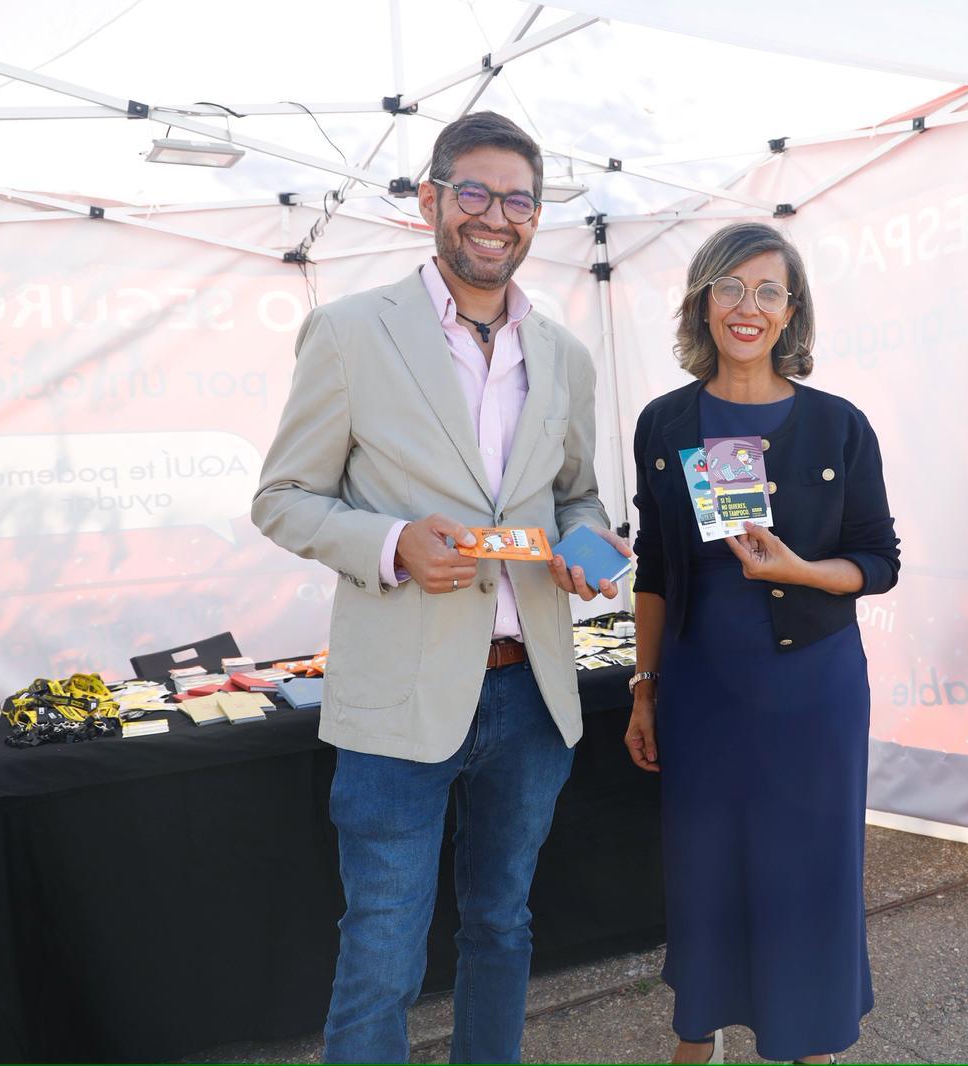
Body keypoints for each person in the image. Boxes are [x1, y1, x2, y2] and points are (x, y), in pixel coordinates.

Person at [251, 111, 625, 1064]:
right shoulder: (349, 332)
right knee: (382, 950)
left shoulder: (566, 356)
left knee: (503, 925)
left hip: (531, 694)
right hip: (398, 695)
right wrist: (390, 544)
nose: (495, 217)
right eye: (474, 193)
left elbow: (576, 495)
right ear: (430, 201)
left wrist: (588, 545)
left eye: (518, 201)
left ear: (536, 216)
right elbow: (282, 498)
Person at [623, 222, 900, 1065]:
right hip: (703, 688)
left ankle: (809, 1041)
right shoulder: (665, 422)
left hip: (812, 690)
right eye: (731, 287)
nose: (748, 307)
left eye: (768, 291)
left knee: (809, 870)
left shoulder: (839, 425)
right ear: (704, 302)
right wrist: (644, 688)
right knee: (704, 868)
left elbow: (878, 561)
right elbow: (655, 569)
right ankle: (696, 1036)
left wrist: (801, 570)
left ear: (791, 311)